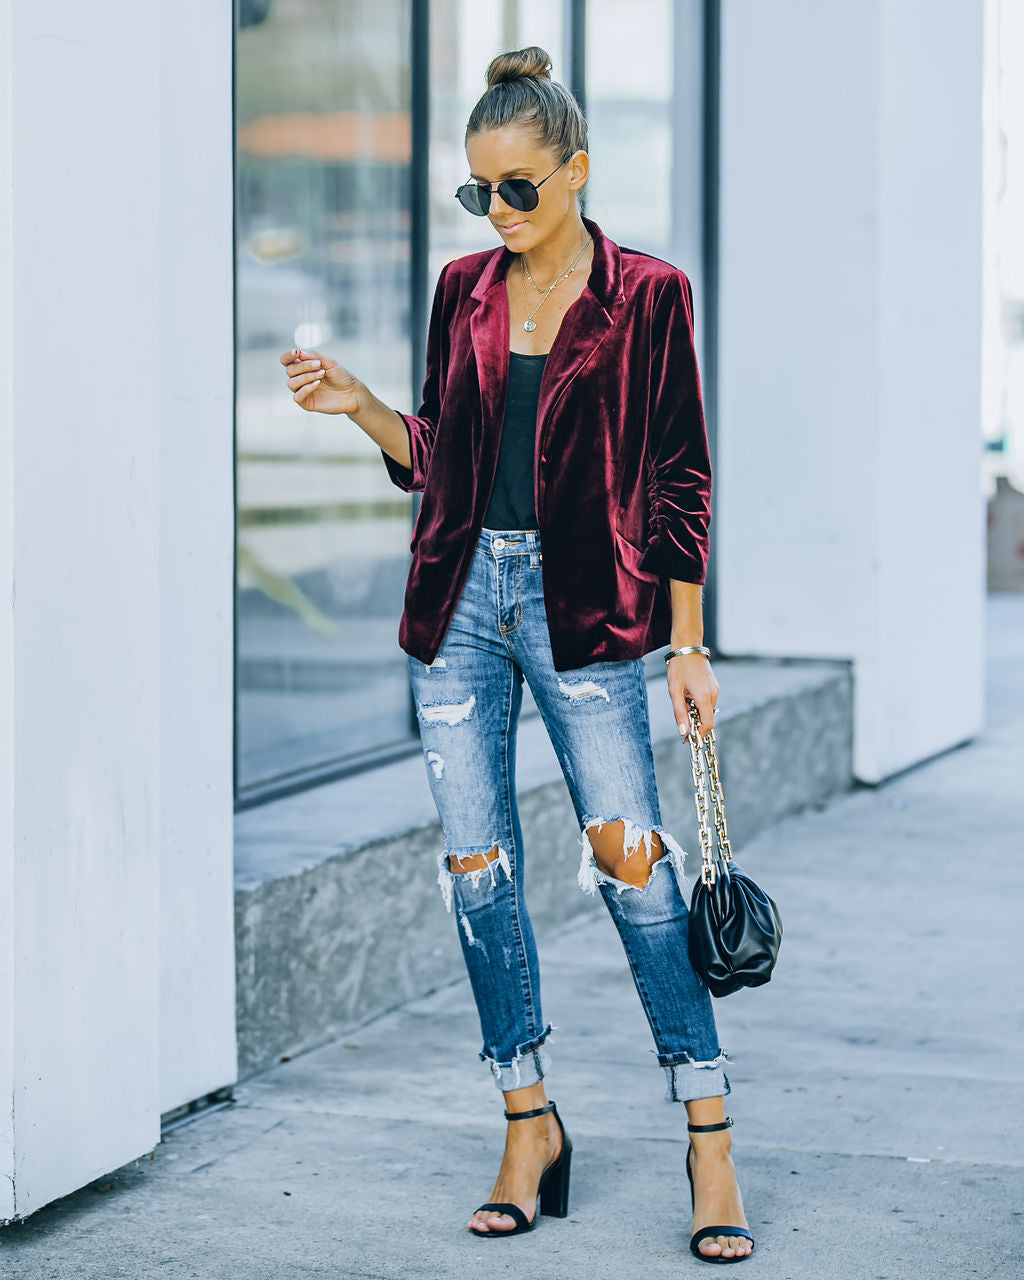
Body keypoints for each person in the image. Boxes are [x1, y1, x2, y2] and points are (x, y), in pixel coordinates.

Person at [279, 44, 753, 1264]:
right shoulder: (464, 288)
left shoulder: (650, 294)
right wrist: (362, 406)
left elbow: (680, 476)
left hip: (587, 611)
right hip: (460, 605)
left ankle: (708, 1133)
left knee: (633, 871)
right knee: (476, 872)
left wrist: (687, 643)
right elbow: (438, 447)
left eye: (520, 189)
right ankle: (526, 1119)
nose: (498, 213)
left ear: (578, 172)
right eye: (478, 192)